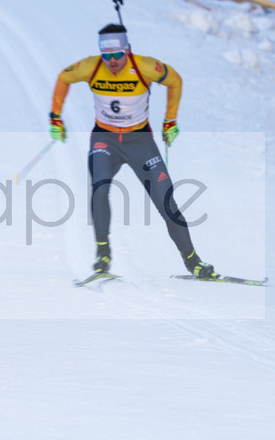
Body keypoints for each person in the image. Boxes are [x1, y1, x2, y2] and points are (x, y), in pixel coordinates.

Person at [50, 23, 217, 279]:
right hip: (105, 139)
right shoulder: (90, 66)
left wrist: (170, 120)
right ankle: (103, 254)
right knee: (99, 189)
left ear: (127, 49)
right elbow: (64, 77)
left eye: (117, 54)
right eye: (107, 55)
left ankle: (193, 261)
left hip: (140, 142)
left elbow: (175, 80)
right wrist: (55, 117)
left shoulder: (145, 66)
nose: (112, 61)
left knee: (166, 202)